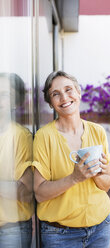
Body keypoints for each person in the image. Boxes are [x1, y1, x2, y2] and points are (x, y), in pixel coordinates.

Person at [33, 71, 110, 248]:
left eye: (69, 90)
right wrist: (75, 178)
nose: (64, 97)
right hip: (60, 235)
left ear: (78, 93)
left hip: (101, 228)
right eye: (56, 94)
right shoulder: (43, 137)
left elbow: (107, 184)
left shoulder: (97, 131)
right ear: (51, 104)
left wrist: (95, 174)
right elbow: (39, 193)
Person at [0, 73, 33, 247]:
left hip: (10, 230)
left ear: (15, 103)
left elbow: (25, 194)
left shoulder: (21, 138)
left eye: (4, 95)